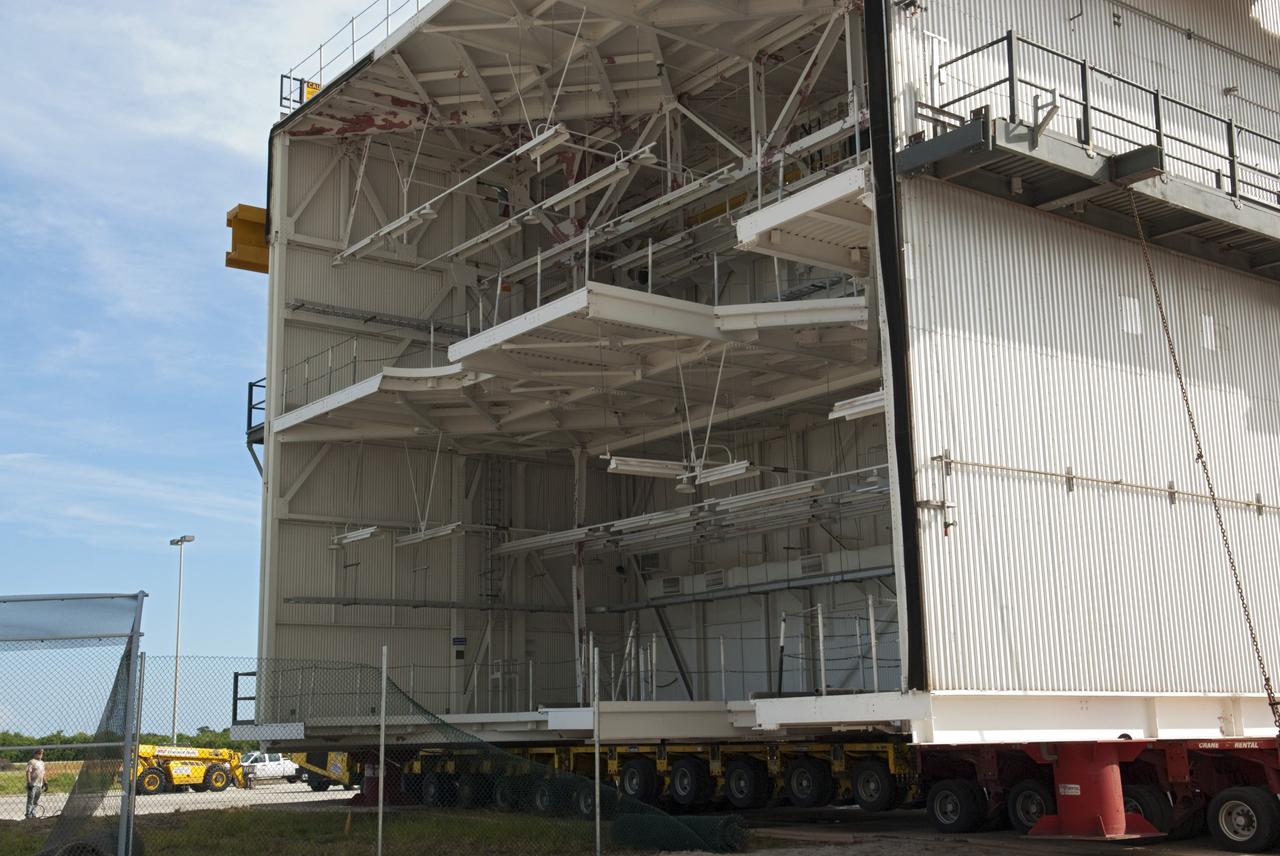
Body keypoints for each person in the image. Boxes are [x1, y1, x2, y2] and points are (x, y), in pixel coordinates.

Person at [25, 749, 46, 819]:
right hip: (33, 784)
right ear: (35, 754)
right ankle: (28, 814)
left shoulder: (42, 763)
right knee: (30, 800)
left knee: (36, 801)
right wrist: (29, 782)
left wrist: (45, 782)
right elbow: (28, 772)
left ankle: (33, 813)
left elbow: (43, 774)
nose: (40, 755)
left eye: (42, 754)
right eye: (39, 753)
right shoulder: (31, 762)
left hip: (39, 784)